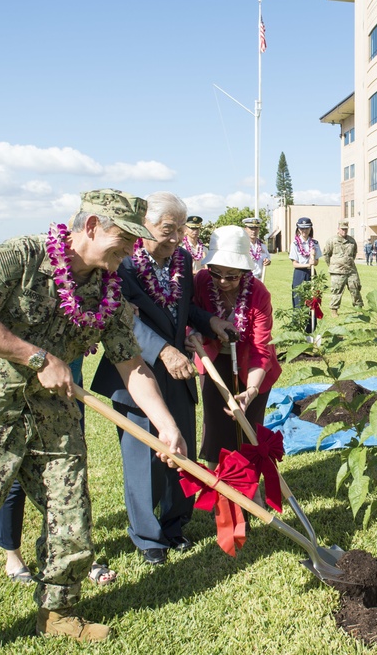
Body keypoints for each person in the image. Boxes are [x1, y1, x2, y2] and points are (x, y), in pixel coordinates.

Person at [0, 189, 193, 653]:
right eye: (123, 240)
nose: (128, 252)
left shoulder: (110, 291)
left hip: (53, 418)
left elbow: (131, 365)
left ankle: (58, 611)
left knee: (70, 514)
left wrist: (165, 425)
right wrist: (38, 357)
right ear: (93, 225)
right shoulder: (19, 256)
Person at [91, 192, 235, 566]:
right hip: (135, 369)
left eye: (179, 230)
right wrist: (162, 350)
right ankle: (147, 535)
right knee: (143, 457)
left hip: (180, 371)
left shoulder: (183, 260)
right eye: (166, 229)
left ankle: (175, 523)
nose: (173, 238)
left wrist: (209, 322)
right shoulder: (122, 265)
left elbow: (182, 310)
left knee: (180, 446)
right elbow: (123, 320)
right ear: (144, 228)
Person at [0, 357, 116, 585]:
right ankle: (12, 555)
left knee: (71, 472)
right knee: (14, 476)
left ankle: (80, 557)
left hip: (69, 390)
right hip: (21, 395)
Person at [192, 226, 282, 466]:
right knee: (215, 427)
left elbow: (260, 349)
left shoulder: (259, 293)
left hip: (252, 365)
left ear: (244, 271)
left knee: (248, 428)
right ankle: (219, 488)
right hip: (213, 360)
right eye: (216, 272)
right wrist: (194, 334)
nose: (222, 281)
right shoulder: (200, 281)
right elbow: (191, 316)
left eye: (231, 275)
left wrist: (251, 391)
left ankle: (251, 491)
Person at [322, 220, 363, 316]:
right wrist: (332, 265)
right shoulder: (332, 240)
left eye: (346, 229)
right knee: (337, 290)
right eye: (342, 229)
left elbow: (354, 254)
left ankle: (359, 308)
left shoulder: (352, 241)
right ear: (338, 229)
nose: (344, 231)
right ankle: (334, 310)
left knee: (356, 288)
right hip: (337, 271)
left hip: (351, 270)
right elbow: (326, 254)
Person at [288, 216, 322, 330]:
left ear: (310, 228)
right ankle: (298, 327)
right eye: (302, 228)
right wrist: (308, 264)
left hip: (312, 273)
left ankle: (311, 328)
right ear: (298, 229)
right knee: (299, 301)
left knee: (312, 300)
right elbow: (295, 264)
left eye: (307, 228)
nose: (304, 231)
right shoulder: (295, 244)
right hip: (300, 273)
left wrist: (314, 261)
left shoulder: (315, 243)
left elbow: (316, 261)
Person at [243, 216, 272, 281]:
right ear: (245, 229)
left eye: (256, 228)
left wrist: (268, 261)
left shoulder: (262, 246)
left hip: (260, 279)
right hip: (245, 280)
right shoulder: (242, 245)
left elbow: (268, 258)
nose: (253, 231)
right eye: (251, 228)